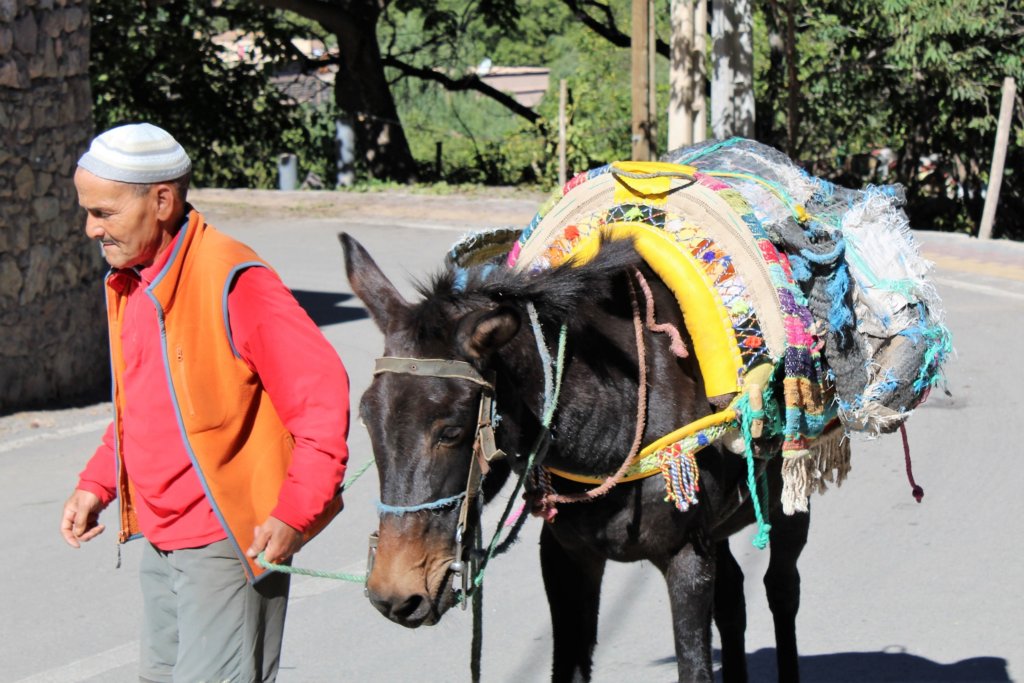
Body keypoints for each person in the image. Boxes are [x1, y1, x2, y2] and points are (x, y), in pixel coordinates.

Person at [59, 122, 350, 683]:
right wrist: (98, 481)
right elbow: (143, 408)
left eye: (104, 212)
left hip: (228, 539)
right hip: (162, 539)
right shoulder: (135, 280)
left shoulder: (233, 279)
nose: (91, 228)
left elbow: (322, 400)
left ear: (162, 201)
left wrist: (294, 514)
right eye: (87, 211)